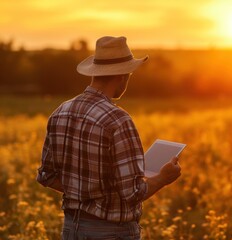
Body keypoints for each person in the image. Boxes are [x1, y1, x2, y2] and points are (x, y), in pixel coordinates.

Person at [37, 36, 181, 240]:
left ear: (95, 73)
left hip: (70, 229)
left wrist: (85, 191)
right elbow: (133, 194)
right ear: (123, 76)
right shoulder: (118, 119)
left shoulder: (60, 111)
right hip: (111, 233)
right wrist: (163, 178)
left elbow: (47, 175)